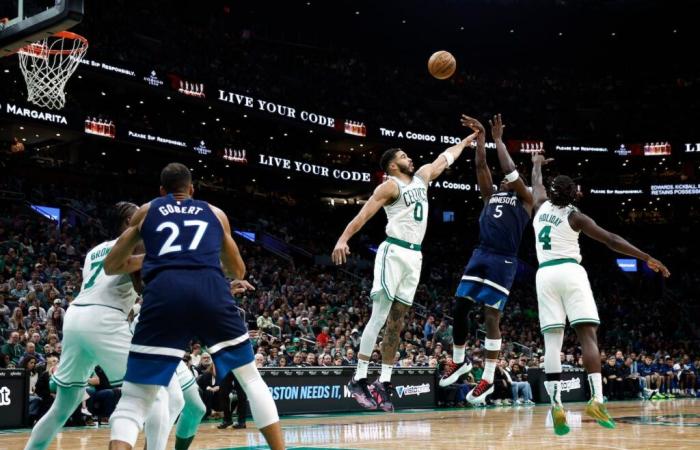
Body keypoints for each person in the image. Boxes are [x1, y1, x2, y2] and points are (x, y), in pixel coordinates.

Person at [103, 163, 283, 450]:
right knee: (250, 379)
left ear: (161, 191)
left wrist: (155, 255)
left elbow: (111, 266)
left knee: (135, 399)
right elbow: (238, 270)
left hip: (164, 295)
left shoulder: (148, 210)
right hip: (211, 292)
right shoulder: (215, 213)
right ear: (192, 189)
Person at [332, 119, 478, 412]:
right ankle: (358, 378)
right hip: (394, 252)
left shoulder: (423, 177)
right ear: (392, 166)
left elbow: (443, 158)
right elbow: (364, 214)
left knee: (398, 321)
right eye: (403, 156)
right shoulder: (390, 186)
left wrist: (467, 141)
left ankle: (384, 381)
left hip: (415, 256)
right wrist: (343, 239)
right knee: (380, 315)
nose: (410, 158)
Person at [530, 152, 670, 435]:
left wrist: (535, 165)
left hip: (544, 274)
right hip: (570, 272)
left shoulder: (538, 206)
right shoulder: (575, 217)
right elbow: (611, 240)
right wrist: (646, 257)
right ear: (573, 195)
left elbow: (536, 184)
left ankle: (556, 404)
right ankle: (597, 399)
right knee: (587, 336)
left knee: (552, 343)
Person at [24, 202, 182, 450]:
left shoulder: (95, 250)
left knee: (64, 404)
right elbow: (141, 286)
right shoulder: (136, 243)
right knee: (156, 392)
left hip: (76, 317)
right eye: (139, 214)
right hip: (104, 318)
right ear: (128, 221)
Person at [440, 115, 535, 407]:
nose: (505, 178)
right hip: (481, 253)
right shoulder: (490, 196)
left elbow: (511, 170)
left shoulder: (525, 199)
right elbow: (481, 166)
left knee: (491, 316)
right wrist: (480, 139)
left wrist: (497, 139)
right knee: (459, 308)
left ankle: (489, 377)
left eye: (509, 178)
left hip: (504, 260)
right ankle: (460, 361)